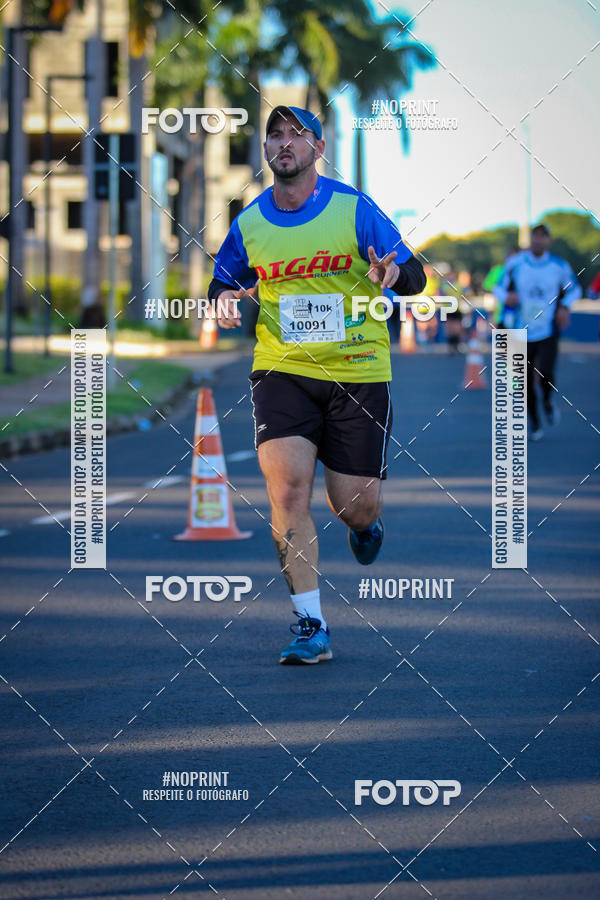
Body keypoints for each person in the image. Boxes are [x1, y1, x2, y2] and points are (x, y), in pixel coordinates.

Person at [208, 105, 426, 664]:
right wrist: (225, 299)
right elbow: (223, 280)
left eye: (296, 135)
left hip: (358, 370)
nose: (284, 144)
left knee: (353, 507)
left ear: (317, 148)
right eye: (275, 136)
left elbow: (416, 274)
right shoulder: (249, 223)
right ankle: (311, 625)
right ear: (266, 151)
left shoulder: (355, 210)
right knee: (286, 492)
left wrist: (392, 273)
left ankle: (366, 527)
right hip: (283, 369)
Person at [493, 224, 581, 441]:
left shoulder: (558, 266)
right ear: (530, 239)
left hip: (548, 329)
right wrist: (507, 298)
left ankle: (548, 402)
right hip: (519, 330)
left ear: (548, 241)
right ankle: (534, 422)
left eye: (543, 237)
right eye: (535, 236)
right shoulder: (516, 264)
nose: (538, 241)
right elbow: (498, 288)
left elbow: (575, 289)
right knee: (522, 382)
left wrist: (565, 306)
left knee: (546, 373)